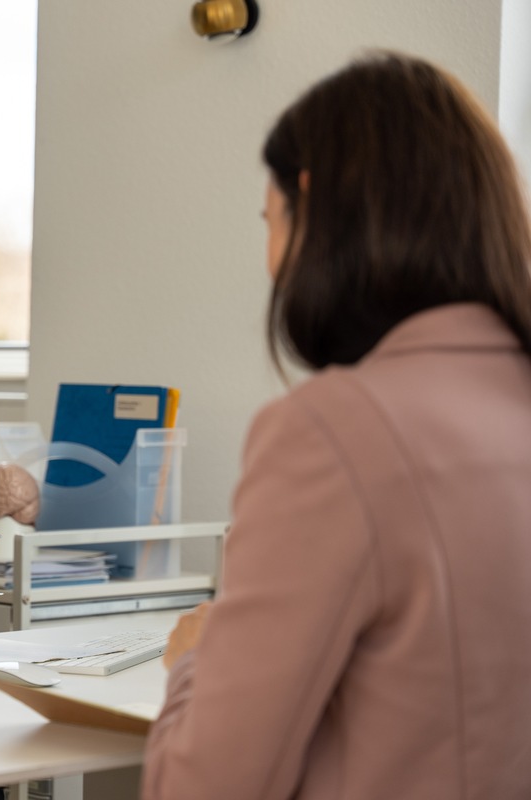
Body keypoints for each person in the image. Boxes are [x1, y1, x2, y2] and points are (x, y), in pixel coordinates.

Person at [143, 52, 531, 799]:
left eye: (269, 219)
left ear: (310, 203)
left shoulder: (333, 433)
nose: (269, 260)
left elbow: (203, 788)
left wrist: (195, 659)